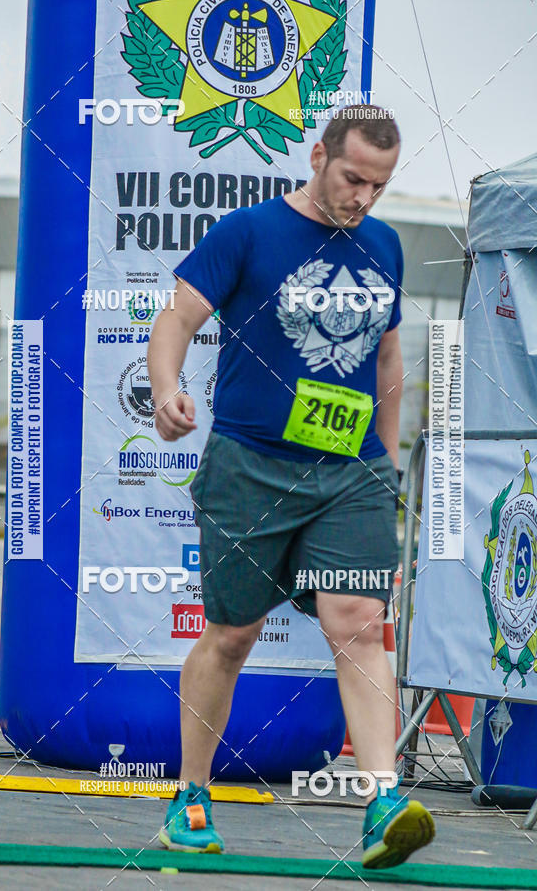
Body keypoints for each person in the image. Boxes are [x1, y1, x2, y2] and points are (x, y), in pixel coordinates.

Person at [147, 104, 435, 869]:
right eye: (353, 179)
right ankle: (191, 797)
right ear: (317, 157)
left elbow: (387, 360)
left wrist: (388, 460)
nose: (363, 198)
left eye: (379, 185)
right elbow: (176, 317)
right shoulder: (248, 232)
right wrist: (165, 388)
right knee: (232, 634)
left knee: (357, 621)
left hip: (352, 472)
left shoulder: (385, 246)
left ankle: (382, 800)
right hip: (251, 464)